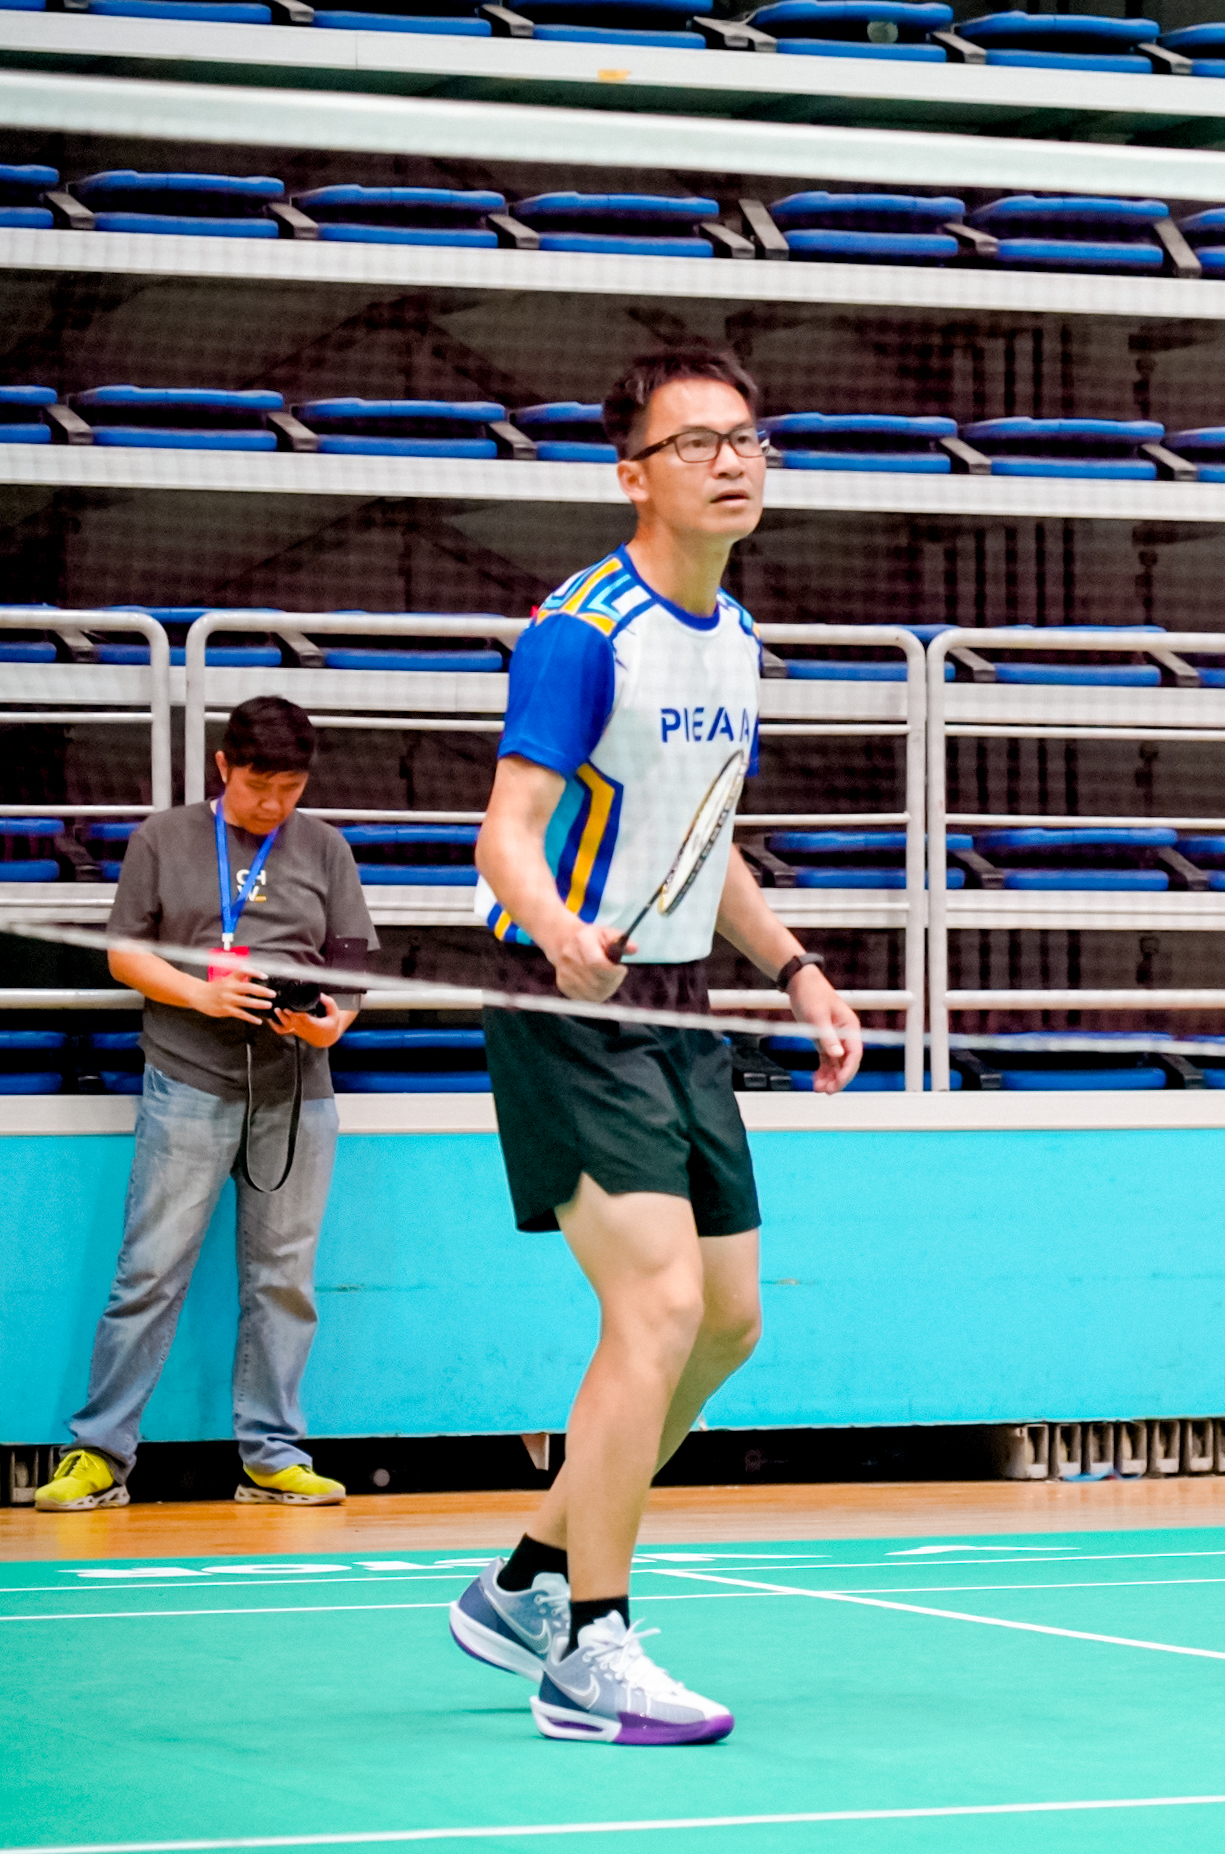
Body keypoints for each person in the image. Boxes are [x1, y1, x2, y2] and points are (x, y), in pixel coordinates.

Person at [443, 347, 863, 1745]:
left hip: (680, 1007)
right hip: (569, 1002)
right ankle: (590, 1648)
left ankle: (522, 1582)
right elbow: (503, 835)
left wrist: (795, 970)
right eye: (695, 444)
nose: (732, 462)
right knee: (658, 1308)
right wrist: (562, 932)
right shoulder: (581, 633)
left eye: (747, 439)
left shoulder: (734, 635)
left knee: (731, 1319)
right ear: (632, 474)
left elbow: (708, 840)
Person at [34, 697, 372, 1513]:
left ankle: (273, 1454)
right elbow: (124, 955)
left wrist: (330, 1023)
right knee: (149, 1270)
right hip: (188, 1079)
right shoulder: (164, 838)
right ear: (223, 767)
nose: (274, 805)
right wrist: (201, 995)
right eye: (260, 787)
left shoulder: (326, 847)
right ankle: (99, 1451)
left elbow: (351, 967)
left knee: (285, 1279)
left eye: (291, 789)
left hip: (297, 1090)